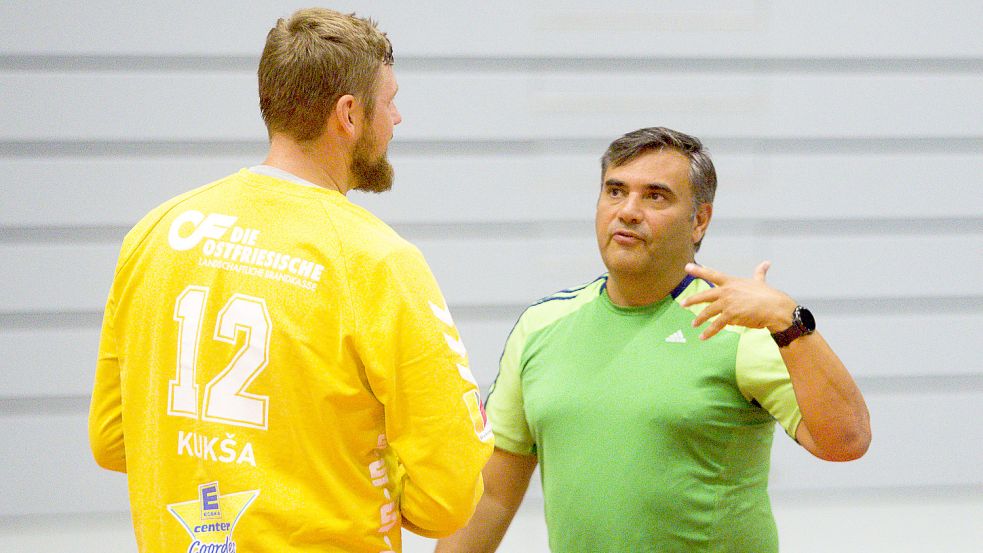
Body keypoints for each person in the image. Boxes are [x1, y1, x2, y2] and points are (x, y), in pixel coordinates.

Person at [88, 8, 493, 553]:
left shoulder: (155, 233)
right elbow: (445, 499)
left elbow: (114, 440)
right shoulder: (378, 262)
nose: (397, 118)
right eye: (390, 99)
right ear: (348, 114)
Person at [436, 127, 871, 553]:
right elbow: (492, 495)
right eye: (614, 191)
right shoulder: (541, 326)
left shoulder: (743, 326)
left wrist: (786, 319)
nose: (627, 210)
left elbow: (846, 442)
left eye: (655, 196)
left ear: (699, 220)